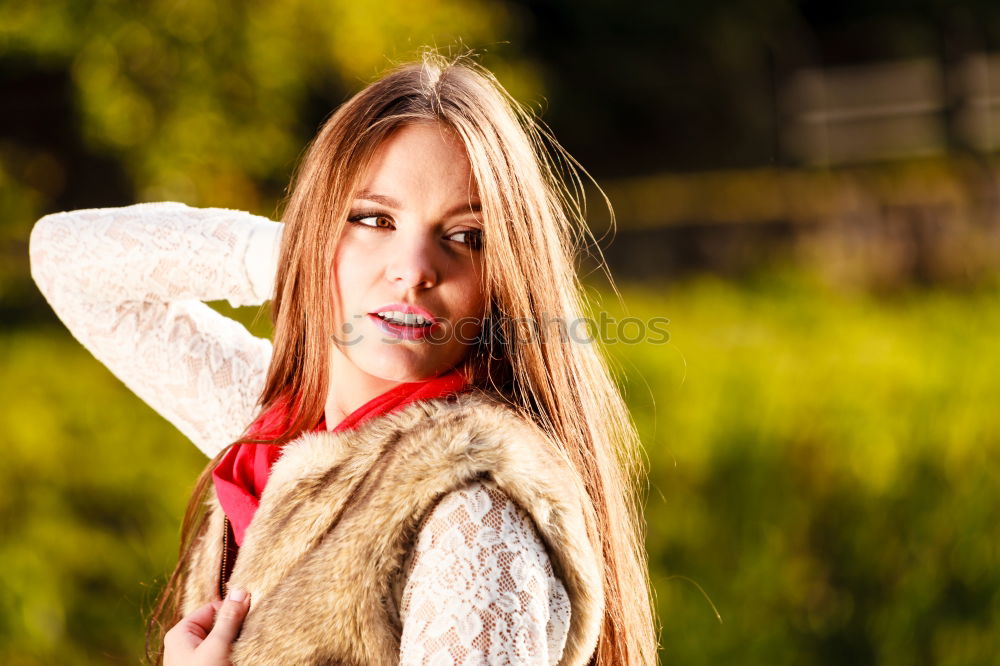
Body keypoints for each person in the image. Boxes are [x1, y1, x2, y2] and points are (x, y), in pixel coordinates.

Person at [29, 50, 658, 665]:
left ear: (506, 278)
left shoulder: (475, 518)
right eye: (374, 219)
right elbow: (64, 260)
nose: (412, 271)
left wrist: (354, 251)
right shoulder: (283, 423)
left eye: (467, 236)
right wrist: (297, 256)